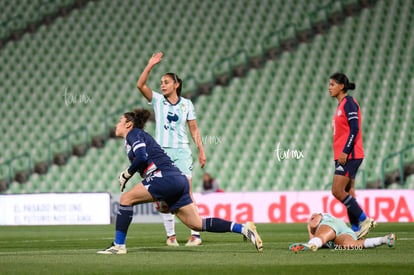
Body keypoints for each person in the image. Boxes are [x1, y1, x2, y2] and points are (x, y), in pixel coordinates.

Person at [97, 109, 263, 254]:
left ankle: (119, 245)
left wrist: (126, 174)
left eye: (120, 121)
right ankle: (243, 228)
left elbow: (141, 157)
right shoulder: (136, 136)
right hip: (178, 179)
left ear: (128, 124)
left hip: (165, 177)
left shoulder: (134, 134)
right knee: (197, 224)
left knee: (126, 199)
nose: (116, 125)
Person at [137, 52, 206, 247]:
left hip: (182, 152)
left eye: (166, 81)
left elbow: (194, 128)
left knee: (188, 193)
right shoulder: (158, 101)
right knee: (161, 197)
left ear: (176, 84)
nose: (162, 85)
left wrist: (201, 150)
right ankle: (171, 236)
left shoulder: (187, 104)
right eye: (161, 82)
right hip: (161, 153)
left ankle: (195, 234)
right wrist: (150, 64)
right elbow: (140, 85)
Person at [329, 72, 375, 239]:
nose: (329, 88)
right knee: (349, 191)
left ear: (342, 86)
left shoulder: (349, 103)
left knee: (337, 190)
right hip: (344, 155)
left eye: (332, 84)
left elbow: (355, 129)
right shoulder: (341, 105)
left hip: (349, 155)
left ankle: (364, 220)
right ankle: (356, 230)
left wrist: (345, 151)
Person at [289, 213, 395, 252]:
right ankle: (385, 239)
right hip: (345, 231)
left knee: (320, 237)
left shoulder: (316, 219)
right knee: (351, 245)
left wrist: (312, 226)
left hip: (330, 222)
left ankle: (313, 244)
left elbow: (314, 222)